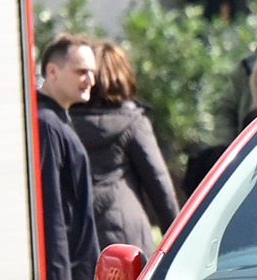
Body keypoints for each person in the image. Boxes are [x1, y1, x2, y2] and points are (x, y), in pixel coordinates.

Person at [72, 38, 181, 257]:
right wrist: (178, 244)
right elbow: (160, 186)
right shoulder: (133, 123)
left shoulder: (63, 125)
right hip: (126, 240)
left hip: (77, 239)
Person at [35, 34, 96, 280]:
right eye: (80, 71)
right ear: (52, 71)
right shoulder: (47, 124)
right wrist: (56, 277)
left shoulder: (55, 121)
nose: (90, 79)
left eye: (92, 72)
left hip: (74, 273)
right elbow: (51, 204)